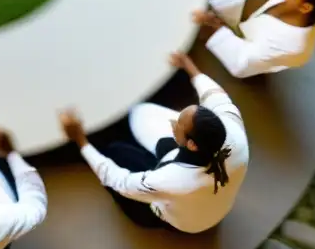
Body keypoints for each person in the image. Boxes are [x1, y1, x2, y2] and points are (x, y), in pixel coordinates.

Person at [59, 52, 248, 233]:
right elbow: (215, 94)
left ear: (192, 145)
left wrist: (80, 139)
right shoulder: (234, 132)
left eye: (179, 125)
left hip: (180, 223)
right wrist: (188, 65)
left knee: (115, 151)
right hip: (214, 206)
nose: (174, 122)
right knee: (155, 138)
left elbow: (117, 180)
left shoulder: (171, 181)